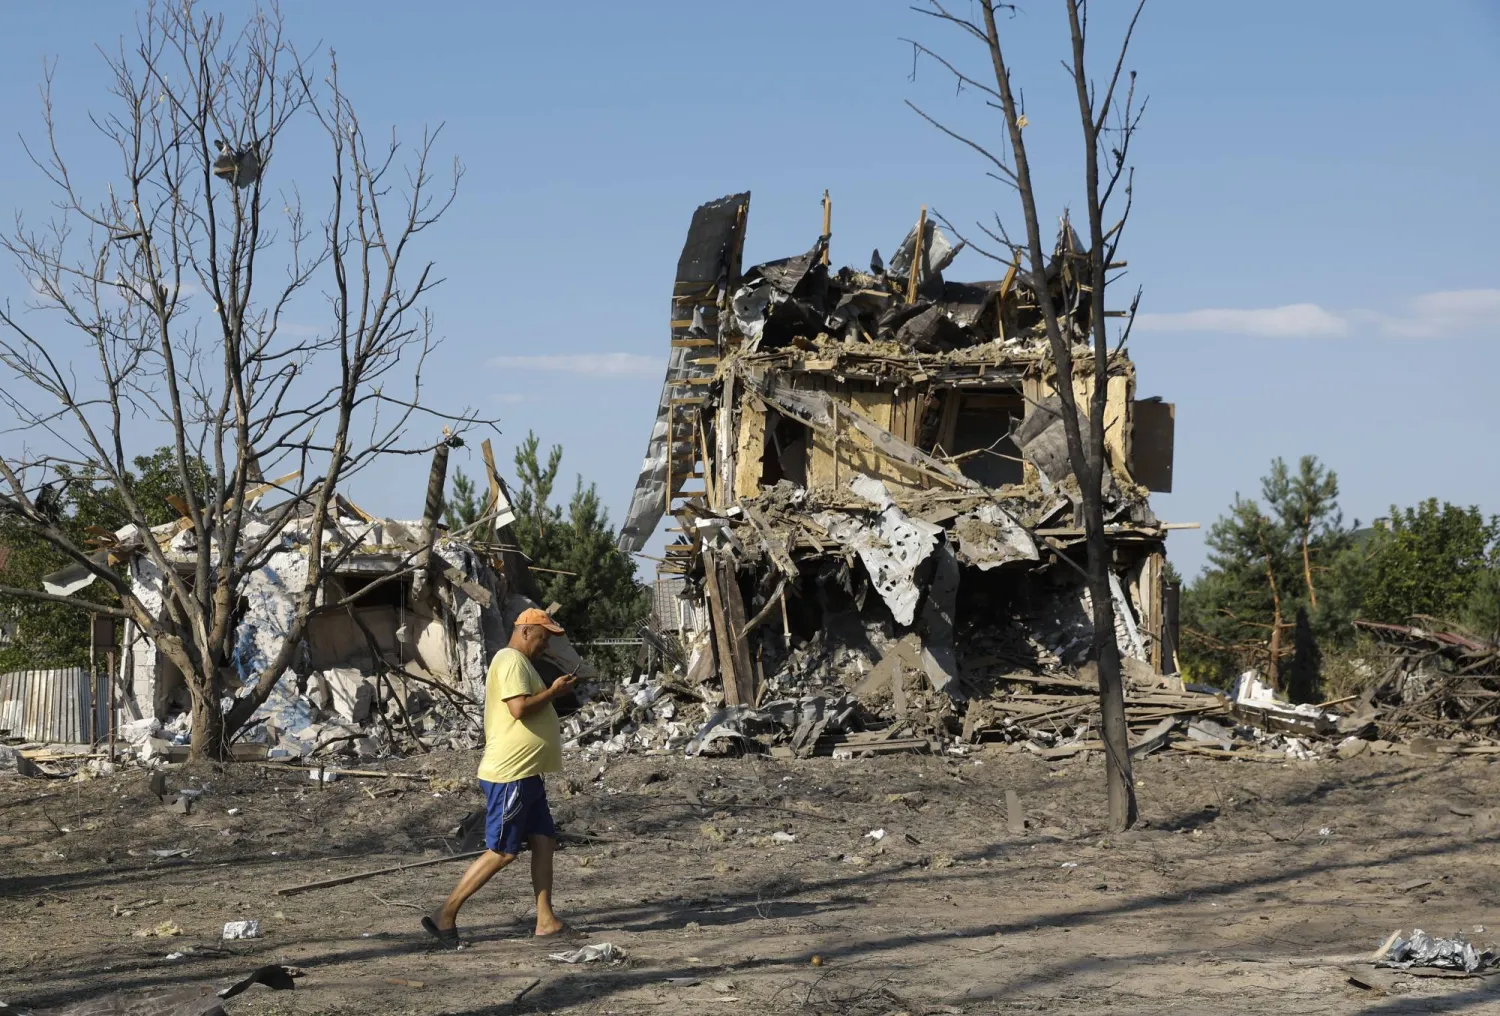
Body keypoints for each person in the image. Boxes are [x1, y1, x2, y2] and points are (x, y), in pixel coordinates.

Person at [423, 607, 578, 948]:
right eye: (543, 637)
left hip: (528, 774)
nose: (545, 645)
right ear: (525, 631)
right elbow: (518, 709)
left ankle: (546, 920)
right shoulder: (510, 660)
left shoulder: (520, 663)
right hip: (511, 774)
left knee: (543, 840)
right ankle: (444, 914)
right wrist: (553, 692)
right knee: (502, 850)